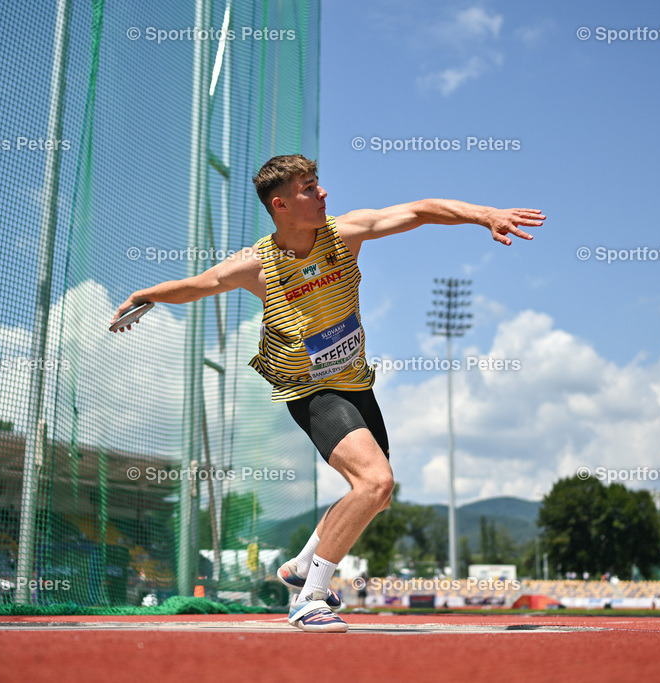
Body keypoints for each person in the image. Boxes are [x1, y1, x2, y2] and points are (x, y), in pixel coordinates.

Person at [111, 154, 543, 632]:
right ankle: (309, 597)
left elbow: (419, 210)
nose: (323, 194)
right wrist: (143, 296)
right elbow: (197, 285)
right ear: (280, 205)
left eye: (318, 184)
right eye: (309, 188)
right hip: (310, 389)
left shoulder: (345, 233)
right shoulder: (256, 265)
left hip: (356, 383)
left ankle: (300, 565)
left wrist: (486, 215)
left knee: (378, 495)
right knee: (374, 481)